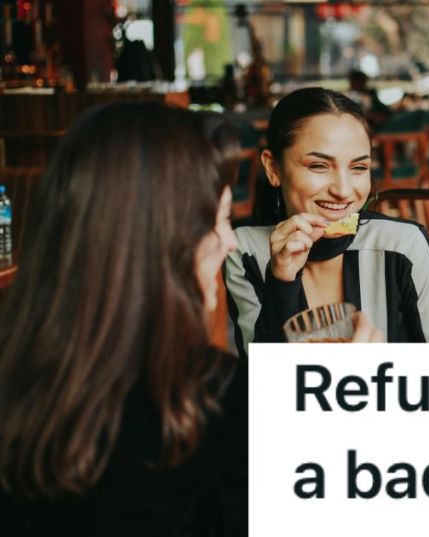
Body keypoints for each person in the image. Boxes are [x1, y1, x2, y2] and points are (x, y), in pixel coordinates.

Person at [0, 103, 245, 534]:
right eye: (221, 221)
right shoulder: (212, 402)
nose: (230, 243)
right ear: (166, 238)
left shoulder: (19, 384)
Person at [225, 87, 429, 352]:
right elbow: (264, 385)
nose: (344, 190)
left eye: (359, 168)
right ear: (273, 168)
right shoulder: (246, 252)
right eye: (319, 166)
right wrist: (282, 283)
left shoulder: (404, 245)